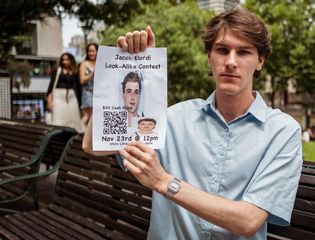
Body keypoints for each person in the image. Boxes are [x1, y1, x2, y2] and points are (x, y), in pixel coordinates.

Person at [83, 7, 302, 239]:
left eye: (244, 52)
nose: (230, 61)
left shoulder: (283, 131)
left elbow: (248, 220)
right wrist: (126, 65)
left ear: (260, 60)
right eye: (222, 50)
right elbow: (93, 145)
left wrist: (165, 182)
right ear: (209, 56)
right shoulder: (175, 118)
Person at [47, 53, 84, 132]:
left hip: (72, 98)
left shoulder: (75, 71)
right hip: (58, 97)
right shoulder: (57, 70)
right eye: (63, 60)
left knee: (73, 119)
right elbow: (51, 86)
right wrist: (49, 101)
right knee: (58, 118)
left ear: (71, 60)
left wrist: (80, 104)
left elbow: (78, 88)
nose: (65, 62)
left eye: (67, 60)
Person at [79, 43, 98, 125]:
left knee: (97, 118)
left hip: (99, 93)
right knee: (89, 118)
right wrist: (92, 74)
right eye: (89, 51)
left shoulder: (100, 62)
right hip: (88, 93)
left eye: (93, 51)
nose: (91, 53)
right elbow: (82, 80)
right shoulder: (84, 64)